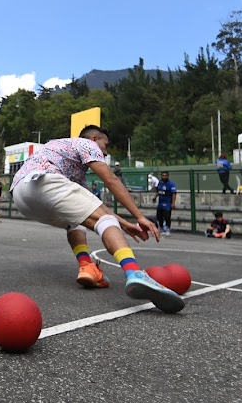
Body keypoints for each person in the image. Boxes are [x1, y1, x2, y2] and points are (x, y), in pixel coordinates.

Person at [9, 125, 184, 314]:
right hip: (46, 181)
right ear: (94, 139)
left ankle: (87, 266)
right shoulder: (86, 144)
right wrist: (139, 217)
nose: (106, 151)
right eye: (105, 144)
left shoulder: (68, 160)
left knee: (77, 219)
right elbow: (111, 180)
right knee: (105, 221)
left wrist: (124, 224)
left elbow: (95, 207)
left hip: (21, 194)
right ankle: (134, 272)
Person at [153, 171, 176, 236]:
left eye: (165, 175)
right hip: (161, 203)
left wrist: (173, 203)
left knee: (167, 216)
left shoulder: (171, 184)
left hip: (168, 203)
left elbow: (174, 193)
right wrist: (155, 197)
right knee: (159, 216)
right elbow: (158, 191)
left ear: (168, 176)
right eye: (163, 175)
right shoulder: (160, 183)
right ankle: (161, 228)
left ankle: (168, 229)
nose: (164, 177)